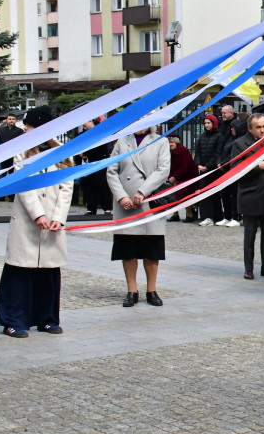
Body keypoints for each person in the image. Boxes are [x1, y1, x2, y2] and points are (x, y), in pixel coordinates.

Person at [0, 107, 73, 338]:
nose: (25, 130)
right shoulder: (22, 151)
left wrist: (58, 217)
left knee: (49, 272)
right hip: (27, 221)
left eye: (28, 126)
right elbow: (23, 184)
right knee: (20, 270)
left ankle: (47, 318)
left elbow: (67, 185)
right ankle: (14, 320)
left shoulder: (62, 151)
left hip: (52, 222)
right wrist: (38, 214)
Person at [106, 127, 171, 307]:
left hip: (150, 202)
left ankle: (152, 290)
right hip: (126, 204)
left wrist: (143, 191)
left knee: (152, 250)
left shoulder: (161, 141)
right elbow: (112, 171)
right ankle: (132, 290)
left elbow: (163, 169)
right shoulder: (122, 142)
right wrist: (121, 196)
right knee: (128, 249)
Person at [230, 114, 264, 279]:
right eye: (258, 127)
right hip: (250, 195)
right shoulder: (240, 144)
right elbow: (235, 168)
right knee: (250, 235)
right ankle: (249, 268)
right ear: (250, 128)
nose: (262, 130)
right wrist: (256, 167)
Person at [193, 114, 224, 226]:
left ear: (213, 123)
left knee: (215, 194)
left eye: (208, 123)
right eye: (205, 123)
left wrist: (208, 166)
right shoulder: (202, 136)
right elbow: (197, 152)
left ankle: (217, 216)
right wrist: (199, 165)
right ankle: (207, 216)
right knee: (204, 193)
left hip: (213, 170)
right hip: (203, 169)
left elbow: (218, 153)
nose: (206, 125)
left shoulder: (219, 136)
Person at [79, 119, 113, 216]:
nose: (83, 124)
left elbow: (103, 147)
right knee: (88, 185)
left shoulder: (100, 133)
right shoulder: (82, 135)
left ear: (91, 121)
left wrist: (85, 152)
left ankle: (107, 208)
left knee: (102, 184)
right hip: (87, 163)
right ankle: (91, 208)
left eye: (85, 122)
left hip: (99, 161)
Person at [217, 106, 241, 227]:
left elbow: (233, 155)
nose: (231, 129)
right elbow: (223, 150)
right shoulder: (229, 138)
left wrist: (224, 163)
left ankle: (235, 217)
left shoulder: (239, 140)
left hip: (233, 169)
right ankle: (227, 216)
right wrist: (220, 163)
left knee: (234, 194)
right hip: (225, 168)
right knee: (225, 194)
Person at [167, 135, 199, 223]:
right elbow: (168, 166)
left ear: (176, 142)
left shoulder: (183, 151)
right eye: (169, 142)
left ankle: (190, 214)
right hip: (177, 177)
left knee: (182, 194)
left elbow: (185, 167)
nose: (170, 144)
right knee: (173, 194)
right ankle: (175, 214)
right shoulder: (168, 152)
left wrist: (175, 177)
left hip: (189, 177)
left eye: (172, 142)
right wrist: (171, 178)